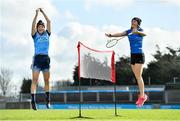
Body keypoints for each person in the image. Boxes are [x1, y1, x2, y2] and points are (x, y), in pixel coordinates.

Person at [105, 17, 147, 107]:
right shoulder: (128, 31)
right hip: (132, 55)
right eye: (132, 21)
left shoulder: (140, 30)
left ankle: (142, 96)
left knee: (139, 76)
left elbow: (145, 34)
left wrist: (137, 32)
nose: (132, 22)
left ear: (138, 23)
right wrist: (111, 35)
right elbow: (120, 34)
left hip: (139, 54)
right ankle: (142, 95)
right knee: (137, 77)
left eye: (134, 21)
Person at [31, 8, 51, 110]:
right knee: (34, 80)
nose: (41, 28)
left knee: (46, 81)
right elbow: (33, 24)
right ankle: (33, 101)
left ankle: (47, 101)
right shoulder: (35, 35)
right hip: (37, 59)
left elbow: (49, 21)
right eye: (39, 27)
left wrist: (42, 12)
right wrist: (36, 14)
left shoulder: (47, 33)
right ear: (37, 28)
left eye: (42, 27)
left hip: (46, 59)